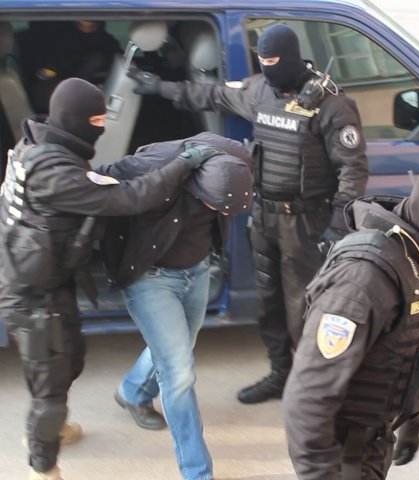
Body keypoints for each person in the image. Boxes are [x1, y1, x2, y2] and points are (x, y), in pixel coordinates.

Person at [127, 23, 369, 404]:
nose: (269, 70)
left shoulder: (331, 105)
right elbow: (211, 95)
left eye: (275, 63)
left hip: (307, 223)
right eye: (264, 62)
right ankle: (280, 375)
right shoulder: (259, 90)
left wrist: (338, 226)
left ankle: (315, 389)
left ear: (291, 58)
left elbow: (352, 170)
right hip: (263, 217)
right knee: (268, 302)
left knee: (306, 307)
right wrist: (159, 87)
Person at [0, 77, 223, 480]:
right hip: (31, 292)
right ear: (74, 120)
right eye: (97, 121)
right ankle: (43, 465)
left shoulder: (34, 145)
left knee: (66, 363)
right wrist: (182, 164)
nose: (102, 127)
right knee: (50, 384)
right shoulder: (55, 174)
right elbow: (127, 198)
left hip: (43, 277)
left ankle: (50, 431)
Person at [283, 154, 419, 479]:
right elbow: (307, 398)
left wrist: (411, 420)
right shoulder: (362, 280)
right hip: (342, 454)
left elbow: (417, 344)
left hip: (377, 436)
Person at [97, 132, 253, 480]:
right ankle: (198, 472)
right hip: (150, 277)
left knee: (178, 348)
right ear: (200, 186)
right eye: (218, 207)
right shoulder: (156, 164)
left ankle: (133, 391)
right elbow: (100, 177)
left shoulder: (237, 162)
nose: (223, 214)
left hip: (198, 270)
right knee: (179, 372)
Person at [15, 21, 121, 113]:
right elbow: (44, 81)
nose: (88, 29)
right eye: (81, 25)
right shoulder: (44, 48)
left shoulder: (107, 45)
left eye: (93, 26)